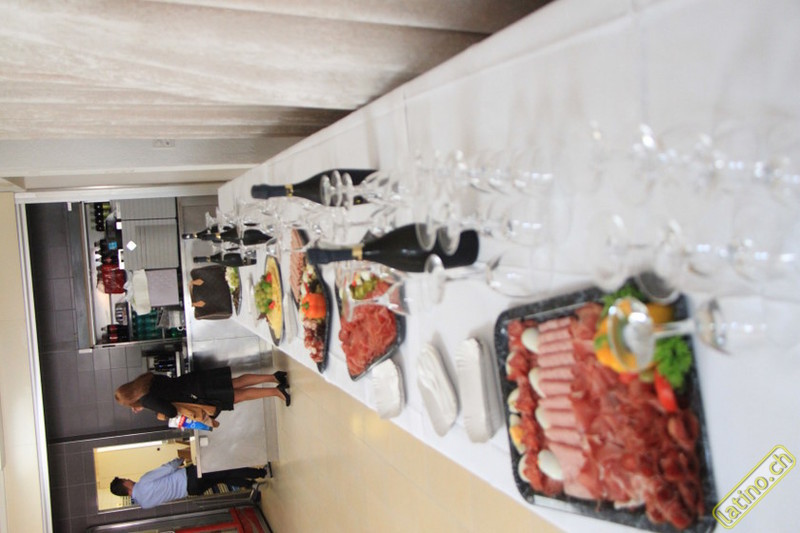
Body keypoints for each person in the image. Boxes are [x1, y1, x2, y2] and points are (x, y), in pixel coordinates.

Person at [114, 368, 290, 424]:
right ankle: (274, 377)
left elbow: (170, 411)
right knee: (236, 382)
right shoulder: (146, 379)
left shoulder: (146, 399)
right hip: (194, 380)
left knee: (239, 396)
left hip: (198, 396)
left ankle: (276, 392)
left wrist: (148, 408)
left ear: (131, 401)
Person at [110, 458, 270, 509]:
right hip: (190, 476)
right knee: (225, 470)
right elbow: (168, 468)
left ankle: (251, 485)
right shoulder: (143, 481)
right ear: (125, 484)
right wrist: (179, 460)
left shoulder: (144, 504)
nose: (128, 479)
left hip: (192, 490)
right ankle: (261, 473)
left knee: (223, 478)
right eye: (125, 479)